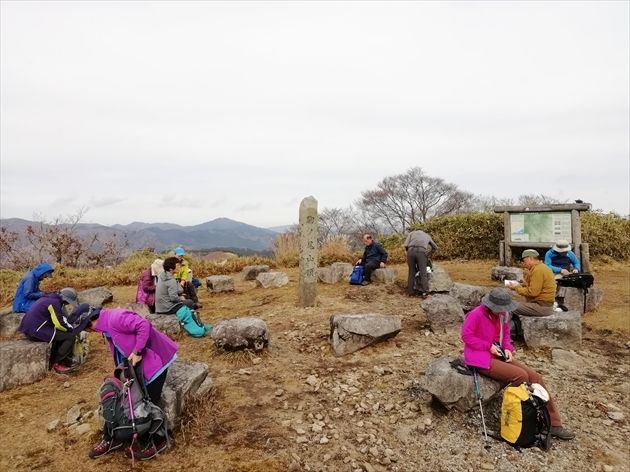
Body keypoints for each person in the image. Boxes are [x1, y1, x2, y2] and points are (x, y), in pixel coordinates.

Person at [461, 287, 575, 440]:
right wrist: (488, 346)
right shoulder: (476, 314)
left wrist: (508, 349)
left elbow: (506, 336)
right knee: (520, 376)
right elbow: (466, 336)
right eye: (500, 309)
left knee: (536, 377)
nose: (503, 311)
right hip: (480, 357)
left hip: (499, 354)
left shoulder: (504, 315)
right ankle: (514, 419)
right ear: (491, 306)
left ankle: (554, 424)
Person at [87, 307, 178, 460]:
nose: (90, 332)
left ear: (90, 321)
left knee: (149, 400)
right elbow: (120, 347)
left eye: (87, 328)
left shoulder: (116, 317)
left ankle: (159, 441)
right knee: (119, 395)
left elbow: (144, 325)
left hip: (156, 358)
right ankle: (113, 437)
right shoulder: (106, 327)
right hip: (137, 364)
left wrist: (137, 351)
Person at [17, 288, 87, 373]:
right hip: (36, 330)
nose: (68, 304)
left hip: (30, 328)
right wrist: (71, 329)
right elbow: (58, 323)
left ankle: (59, 359)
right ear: (65, 299)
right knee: (70, 337)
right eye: (68, 302)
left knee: (61, 335)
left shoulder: (50, 298)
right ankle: (57, 363)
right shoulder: (54, 303)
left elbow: (59, 318)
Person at [507, 249, 556, 318]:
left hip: (541, 306)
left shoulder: (538, 270)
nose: (524, 263)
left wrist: (517, 288)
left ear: (530, 258)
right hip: (542, 305)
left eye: (524, 261)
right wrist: (521, 285)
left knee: (508, 306)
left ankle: (505, 327)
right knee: (510, 301)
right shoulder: (540, 268)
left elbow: (533, 292)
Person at [544, 240, 581, 312]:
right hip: (553, 273)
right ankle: (551, 301)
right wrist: (560, 270)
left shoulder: (570, 254)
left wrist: (576, 269)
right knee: (554, 281)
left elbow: (576, 263)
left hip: (567, 274)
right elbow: (547, 266)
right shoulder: (549, 253)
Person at [404, 229, 438, 297]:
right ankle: (425, 292)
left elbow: (406, 245)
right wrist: (429, 254)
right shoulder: (427, 235)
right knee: (423, 273)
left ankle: (410, 292)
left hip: (410, 252)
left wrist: (408, 252)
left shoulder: (411, 233)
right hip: (421, 252)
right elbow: (435, 247)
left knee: (411, 272)